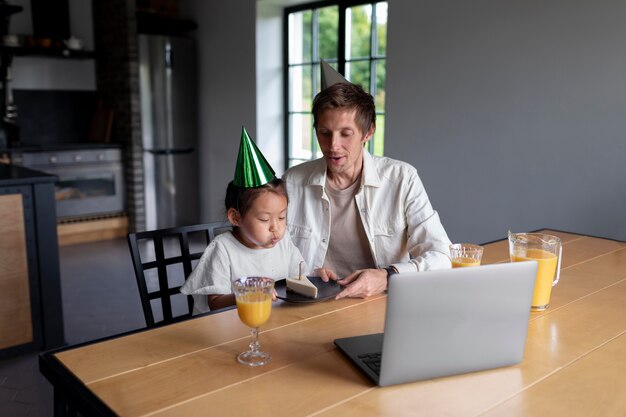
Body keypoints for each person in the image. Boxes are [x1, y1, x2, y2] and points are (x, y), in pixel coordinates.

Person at [283, 61, 451, 300]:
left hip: (383, 303)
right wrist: (300, 273)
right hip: (311, 307)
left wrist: (388, 275)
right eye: (324, 133)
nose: (333, 146)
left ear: (368, 132)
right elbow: (269, 255)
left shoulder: (403, 179)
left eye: (345, 133)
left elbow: (442, 255)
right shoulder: (292, 182)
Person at [181, 127, 305, 313]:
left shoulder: (283, 241)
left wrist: (317, 276)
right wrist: (250, 295)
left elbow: (300, 277)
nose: (276, 228)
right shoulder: (223, 249)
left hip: (274, 325)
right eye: (264, 219)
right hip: (232, 331)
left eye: (282, 217)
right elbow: (215, 302)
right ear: (235, 217)